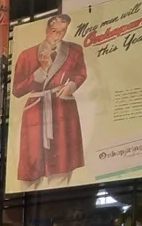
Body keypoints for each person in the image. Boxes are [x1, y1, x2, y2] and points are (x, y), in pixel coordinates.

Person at [11, 13, 86, 188]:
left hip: (62, 108)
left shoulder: (75, 50)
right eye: (54, 31)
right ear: (47, 30)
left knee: (62, 162)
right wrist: (40, 72)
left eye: (63, 31)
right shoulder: (27, 55)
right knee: (32, 162)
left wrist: (72, 86)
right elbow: (16, 90)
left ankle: (60, 193)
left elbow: (81, 73)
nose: (58, 35)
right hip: (35, 112)